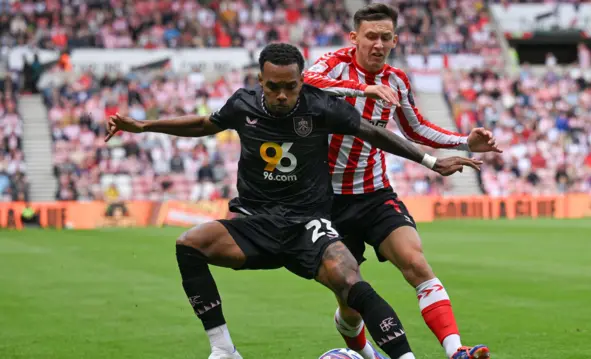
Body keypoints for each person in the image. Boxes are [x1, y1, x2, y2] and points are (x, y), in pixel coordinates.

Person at [104, 43, 482, 359]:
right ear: (260, 82)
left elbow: (373, 133)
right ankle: (223, 349)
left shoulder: (320, 106)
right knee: (189, 244)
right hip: (255, 222)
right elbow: (204, 125)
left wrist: (431, 161)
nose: (282, 95)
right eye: (273, 87)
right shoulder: (243, 104)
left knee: (351, 282)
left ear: (302, 81)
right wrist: (143, 126)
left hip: (308, 223)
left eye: (290, 86)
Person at [303, 4, 501, 359]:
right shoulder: (333, 64)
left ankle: (456, 351)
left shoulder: (397, 80)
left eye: (385, 37)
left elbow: (416, 127)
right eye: (370, 37)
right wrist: (363, 91)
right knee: (350, 296)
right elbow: (305, 83)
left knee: (416, 263)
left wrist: (464, 141)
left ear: (394, 39)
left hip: (375, 193)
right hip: (327, 201)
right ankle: (369, 355)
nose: (378, 44)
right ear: (354, 38)